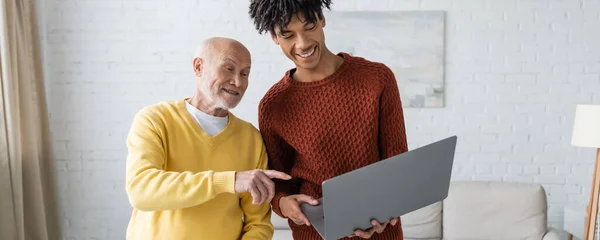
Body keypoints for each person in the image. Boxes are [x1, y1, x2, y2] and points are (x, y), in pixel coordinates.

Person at [249, 0, 409, 239]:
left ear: (322, 19)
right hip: (313, 233)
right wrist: (283, 205)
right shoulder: (273, 105)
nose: (302, 43)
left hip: (381, 232)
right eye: (288, 35)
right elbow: (280, 183)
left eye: (309, 26)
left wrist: (389, 210)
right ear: (274, 37)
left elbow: (397, 163)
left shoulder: (377, 78)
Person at [124, 37, 291, 240]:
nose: (238, 82)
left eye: (244, 73)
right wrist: (229, 181)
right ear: (198, 67)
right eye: (228, 68)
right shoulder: (155, 120)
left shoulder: (251, 139)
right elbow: (141, 190)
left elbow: (259, 224)